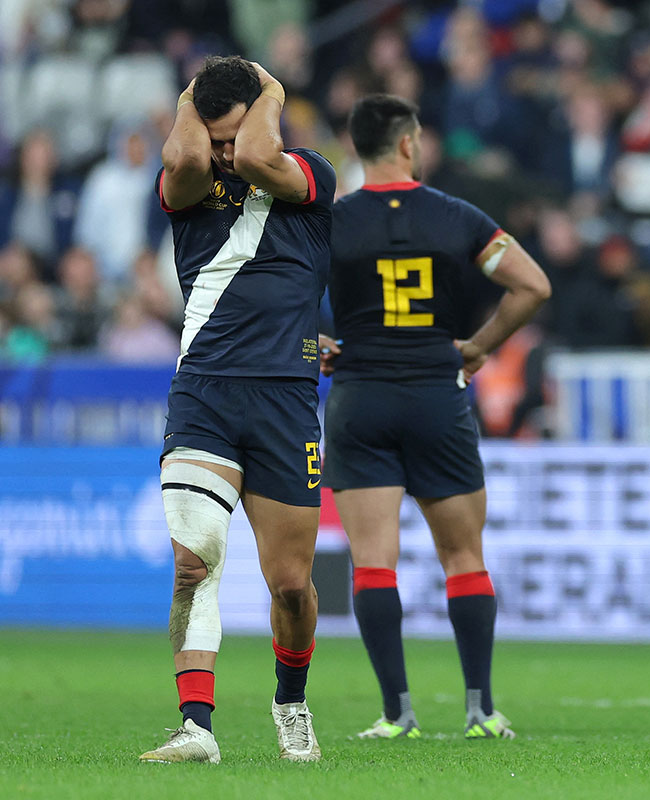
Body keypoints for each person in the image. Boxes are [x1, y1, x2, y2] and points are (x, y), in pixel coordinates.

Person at [319, 94, 551, 741]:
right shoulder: (457, 218)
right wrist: (479, 344)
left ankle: (397, 714)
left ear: (358, 148)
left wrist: (320, 344)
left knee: (372, 562)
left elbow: (277, 300)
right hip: (435, 396)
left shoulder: (331, 223)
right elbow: (534, 286)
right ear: (408, 143)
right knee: (464, 556)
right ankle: (479, 709)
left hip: (360, 398)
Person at [138, 56, 335, 765]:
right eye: (213, 137)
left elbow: (257, 152)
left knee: (290, 583)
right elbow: (190, 151)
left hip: (285, 398)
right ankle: (196, 724)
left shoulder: (309, 173)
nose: (226, 154)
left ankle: (291, 702)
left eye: (233, 135)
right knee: (194, 562)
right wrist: (192, 95)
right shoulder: (186, 185)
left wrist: (271, 88)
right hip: (206, 393)